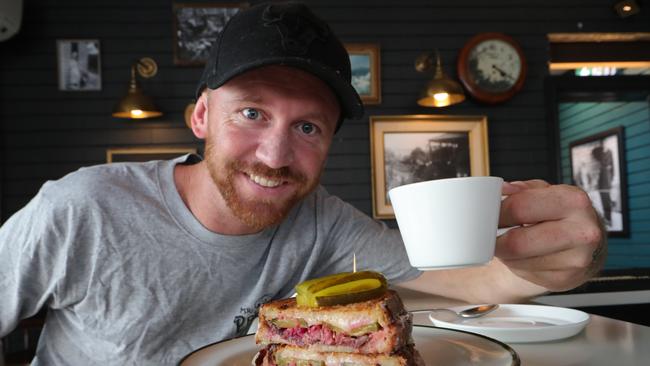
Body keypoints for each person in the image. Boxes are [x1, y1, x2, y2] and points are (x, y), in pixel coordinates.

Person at [0, 2, 605, 365]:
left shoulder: (324, 223)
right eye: (252, 113)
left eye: (308, 125)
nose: (275, 154)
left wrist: (562, 259)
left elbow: (462, 281)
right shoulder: (80, 208)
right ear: (202, 116)